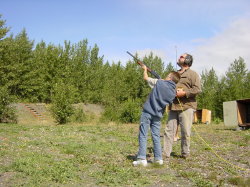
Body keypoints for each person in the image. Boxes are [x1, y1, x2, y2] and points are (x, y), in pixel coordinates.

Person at [133, 65, 180, 166]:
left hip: (147, 112)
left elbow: (145, 78)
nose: (166, 77)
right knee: (156, 136)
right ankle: (158, 159)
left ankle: (141, 158)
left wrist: (145, 69)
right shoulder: (173, 93)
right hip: (158, 115)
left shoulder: (159, 83)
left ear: (170, 78)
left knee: (143, 134)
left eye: (168, 76)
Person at [163, 53, 201, 160]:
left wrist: (184, 93)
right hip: (173, 106)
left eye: (182, 56)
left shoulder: (193, 74)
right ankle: (165, 154)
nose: (179, 57)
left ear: (187, 60)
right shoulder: (174, 74)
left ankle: (185, 153)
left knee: (185, 132)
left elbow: (197, 89)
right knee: (168, 131)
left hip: (187, 106)